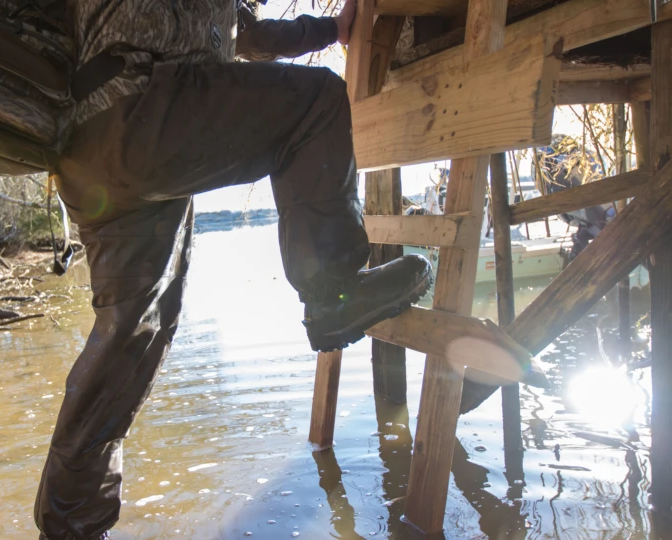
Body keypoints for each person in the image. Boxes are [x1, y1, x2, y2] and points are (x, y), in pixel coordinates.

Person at [35, 1, 433, 538]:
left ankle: (71, 525)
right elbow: (245, 30)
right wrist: (332, 28)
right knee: (316, 102)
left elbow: (242, 31)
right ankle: (333, 293)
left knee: (129, 340)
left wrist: (324, 29)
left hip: (84, 148)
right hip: (150, 109)